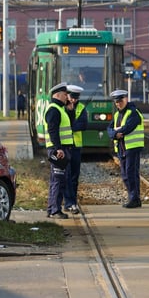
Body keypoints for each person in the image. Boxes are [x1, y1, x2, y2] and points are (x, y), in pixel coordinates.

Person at [107, 89, 144, 209]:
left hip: (132, 147)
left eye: (121, 101)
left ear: (126, 99)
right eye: (116, 102)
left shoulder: (133, 113)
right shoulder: (117, 114)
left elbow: (128, 127)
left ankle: (134, 198)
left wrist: (116, 133)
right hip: (122, 148)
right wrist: (114, 134)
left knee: (130, 173)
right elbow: (109, 128)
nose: (118, 104)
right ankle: (133, 197)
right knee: (125, 174)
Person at [44, 82, 73, 219]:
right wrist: (58, 148)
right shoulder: (54, 109)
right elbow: (53, 130)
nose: (67, 96)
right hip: (58, 150)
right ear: (57, 95)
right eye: (64, 94)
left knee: (58, 179)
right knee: (58, 180)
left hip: (62, 149)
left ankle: (52, 209)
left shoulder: (60, 109)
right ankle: (55, 210)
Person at [63, 85, 87, 214]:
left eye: (76, 98)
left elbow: (83, 125)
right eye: (72, 97)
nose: (73, 100)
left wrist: (70, 126)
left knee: (74, 176)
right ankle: (69, 202)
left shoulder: (81, 108)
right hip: (65, 146)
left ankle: (73, 201)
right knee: (66, 175)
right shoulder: (61, 108)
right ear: (67, 95)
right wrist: (73, 125)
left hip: (76, 146)